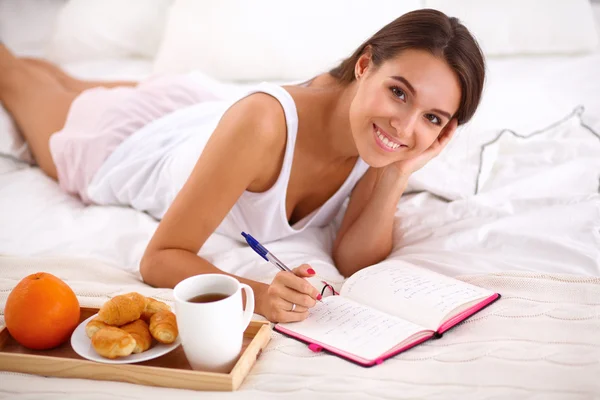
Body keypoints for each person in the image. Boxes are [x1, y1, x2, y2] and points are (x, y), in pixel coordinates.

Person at [0, 9, 485, 323]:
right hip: (126, 146)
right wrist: (257, 294)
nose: (404, 125)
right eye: (398, 91)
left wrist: (398, 173)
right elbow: (159, 257)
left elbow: (355, 259)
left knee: (54, 77)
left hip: (199, 118)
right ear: (364, 67)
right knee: (14, 77)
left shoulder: (383, 141)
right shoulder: (265, 123)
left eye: (432, 118)